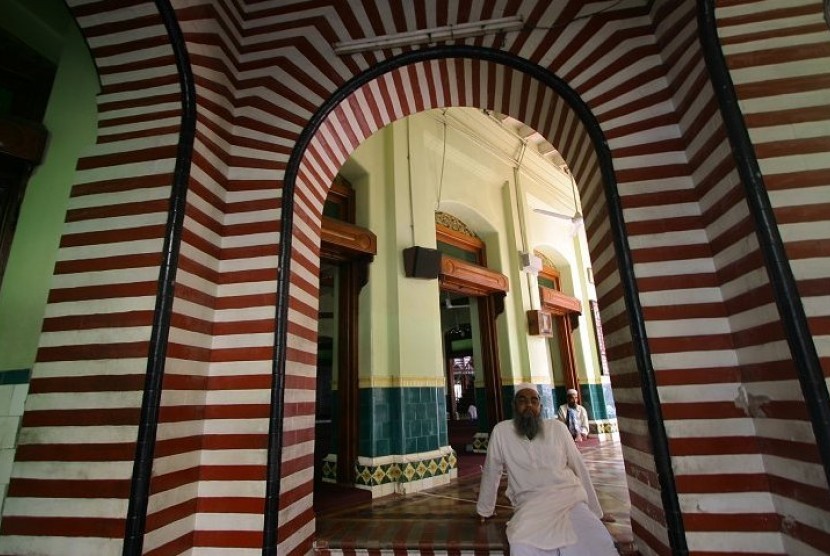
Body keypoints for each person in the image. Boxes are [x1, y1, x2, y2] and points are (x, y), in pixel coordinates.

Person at [476, 383, 616, 556]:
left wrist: (595, 511)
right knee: (522, 545)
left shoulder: (557, 428)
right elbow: (491, 470)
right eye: (523, 400)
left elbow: (578, 466)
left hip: (570, 499)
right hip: (529, 505)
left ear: (540, 407)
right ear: (514, 405)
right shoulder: (501, 432)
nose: (529, 405)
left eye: (534, 401)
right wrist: (485, 509)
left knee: (595, 540)